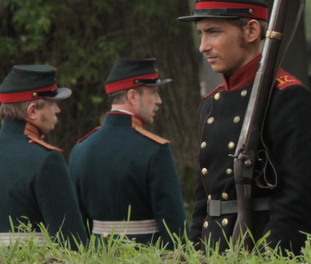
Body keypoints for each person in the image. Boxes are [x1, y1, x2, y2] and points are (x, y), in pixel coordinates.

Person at [179, 0, 311, 253]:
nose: (203, 46)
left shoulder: (289, 98)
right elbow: (205, 199)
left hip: (265, 255)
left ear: (251, 30)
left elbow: (296, 202)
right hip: (216, 255)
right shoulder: (211, 102)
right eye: (201, 33)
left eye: (213, 32)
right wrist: (196, 256)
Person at [69, 58, 187, 245]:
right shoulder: (155, 150)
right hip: (148, 263)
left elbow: (78, 223)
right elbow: (174, 227)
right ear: (132, 96)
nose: (159, 101)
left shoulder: (81, 149)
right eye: (154, 93)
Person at [0, 65, 86, 246]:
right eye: (52, 103)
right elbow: (71, 241)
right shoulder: (46, 159)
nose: (57, 110)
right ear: (32, 111)